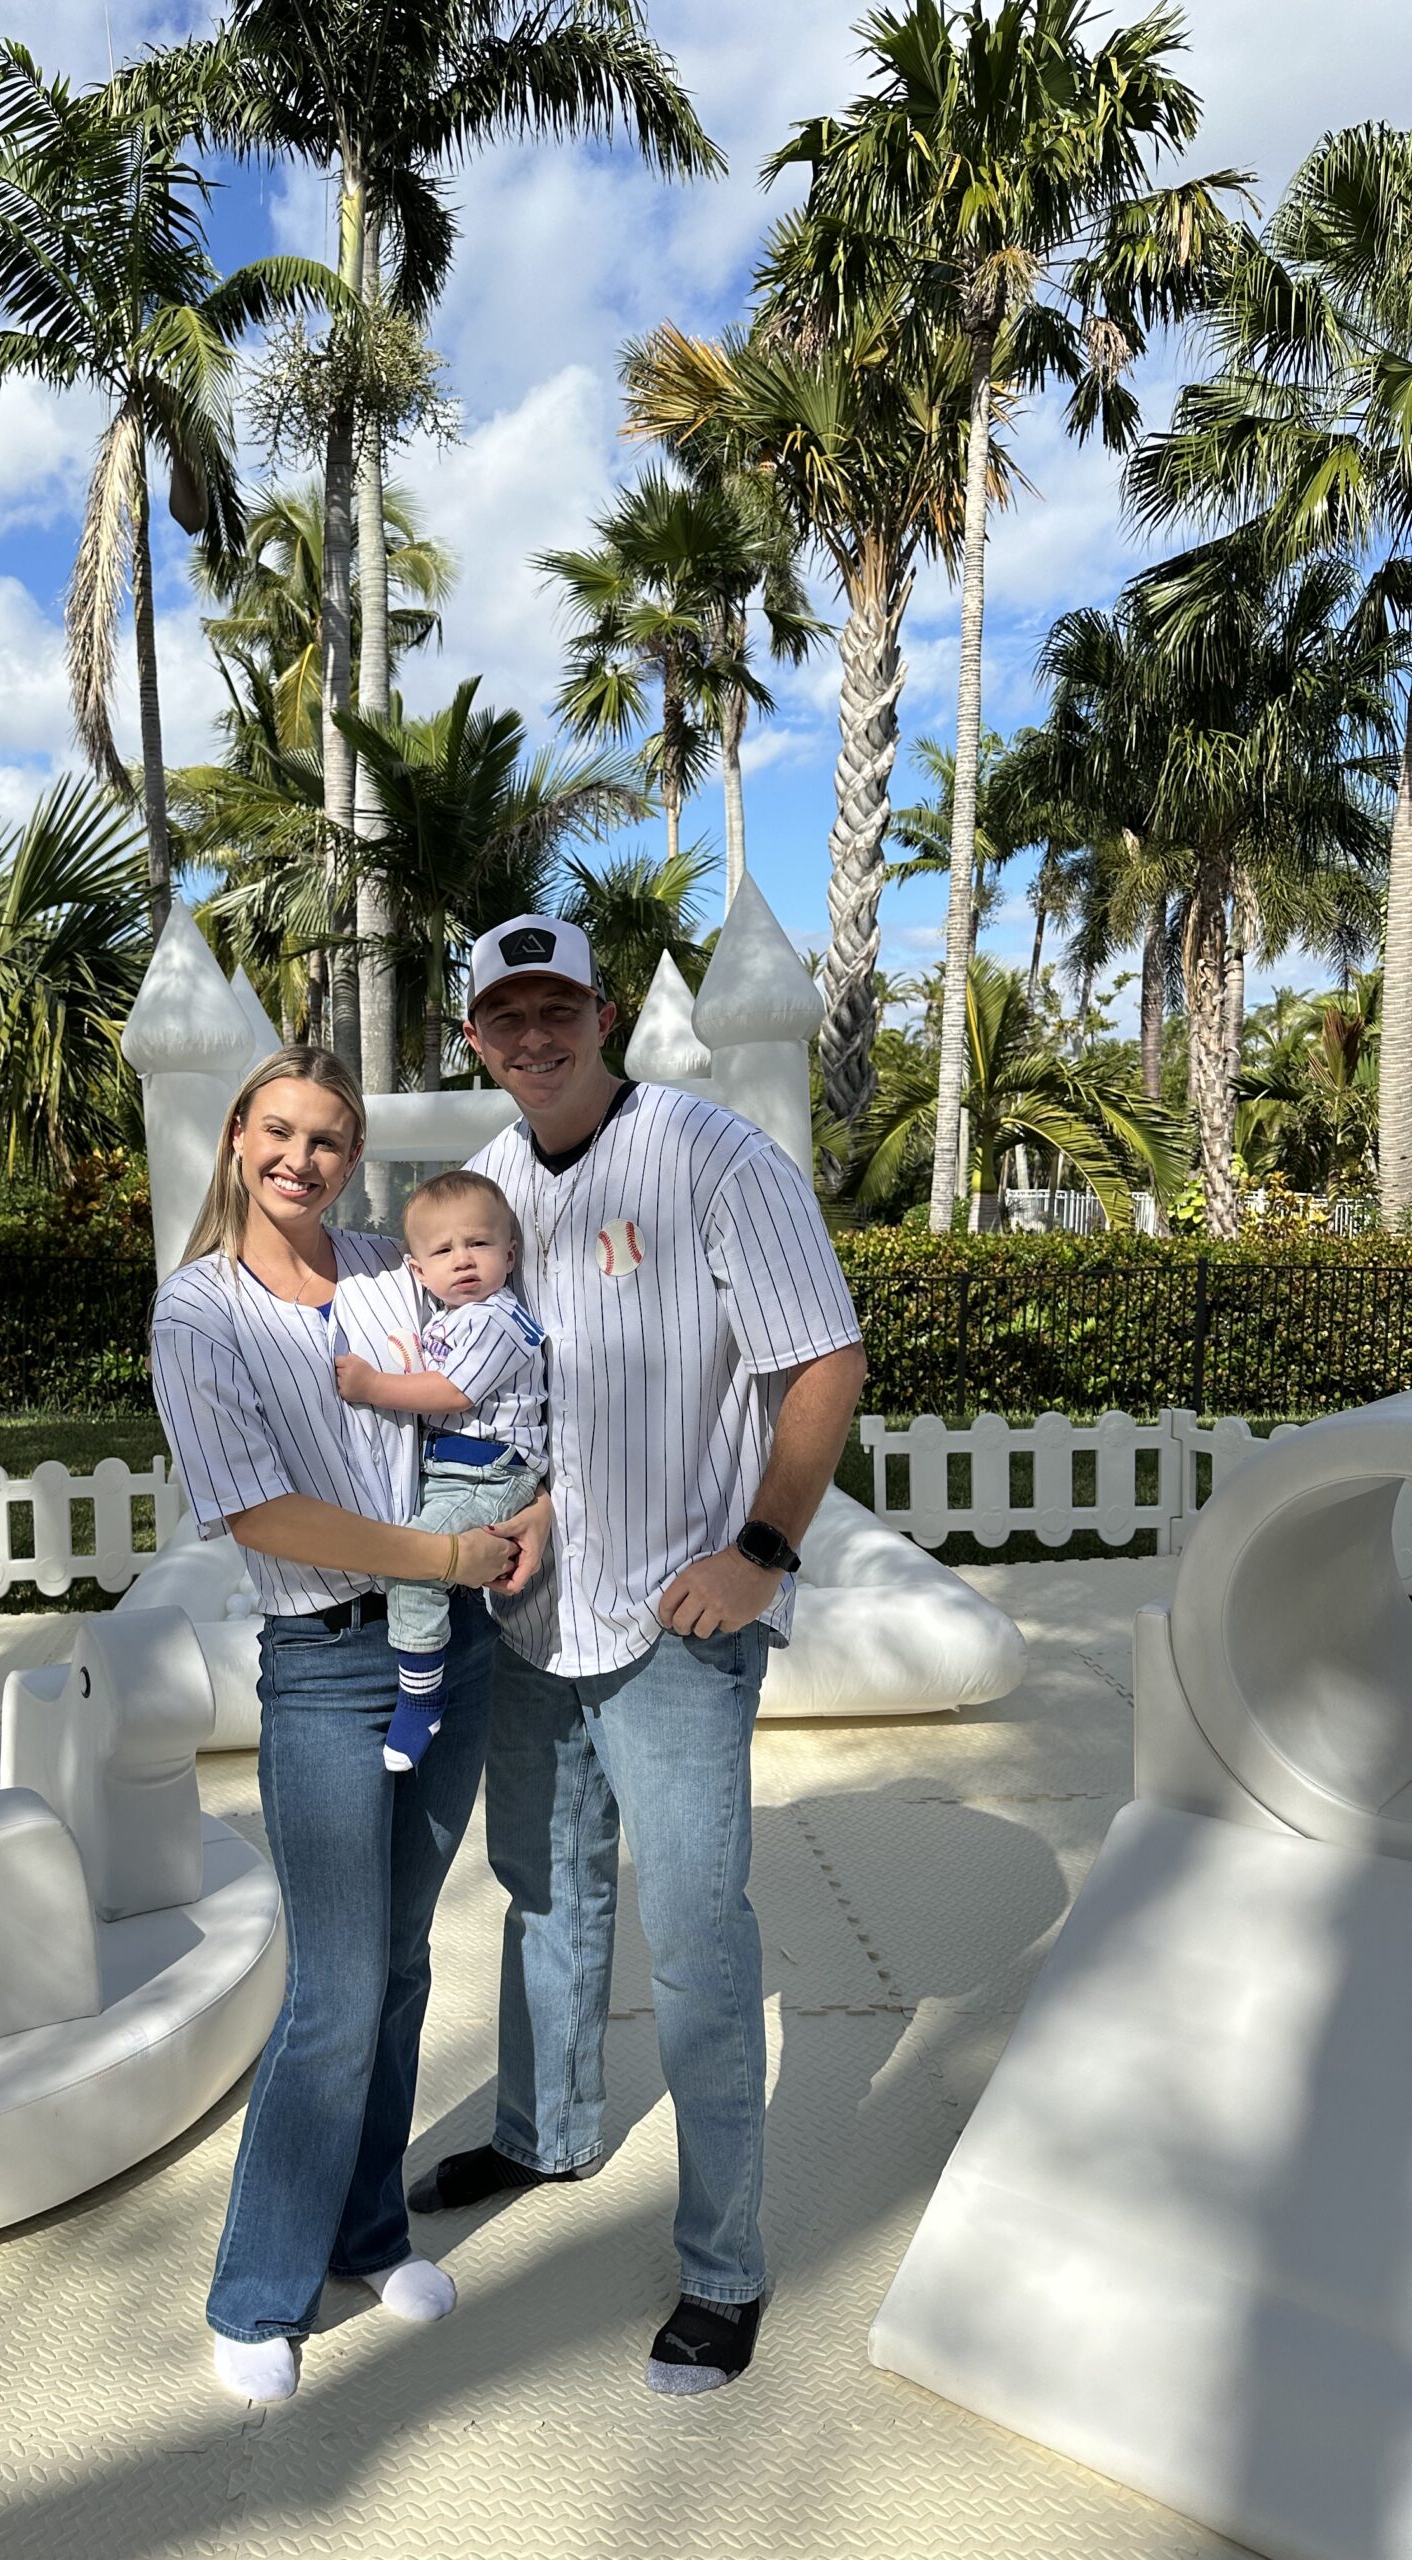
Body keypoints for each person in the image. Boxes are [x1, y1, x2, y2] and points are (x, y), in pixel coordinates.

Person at [406, 915, 869, 2400]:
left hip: (678, 1617)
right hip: (535, 1612)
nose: (534, 1035)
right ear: (475, 1036)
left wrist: (762, 1550)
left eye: (559, 1008)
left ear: (604, 1015)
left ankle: (724, 2268)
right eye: (507, 1015)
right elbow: (507, 1388)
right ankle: (545, 2131)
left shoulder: (712, 1156)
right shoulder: (487, 1185)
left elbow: (825, 1358)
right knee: (543, 1892)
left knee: (698, 1940)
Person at [148, 1045, 550, 2408]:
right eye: (279, 1131)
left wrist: (533, 1513)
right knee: (330, 1991)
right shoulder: (199, 1312)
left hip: (458, 1649)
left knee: (399, 1968)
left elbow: (524, 1373)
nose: (300, 1159)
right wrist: (442, 1558)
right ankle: (258, 2291)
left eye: (327, 1139)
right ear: (236, 1136)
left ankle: (368, 2236)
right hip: (326, 1663)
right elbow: (259, 1512)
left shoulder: (397, 1268)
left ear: (353, 1157)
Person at [334, 1169, 547, 1771]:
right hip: (457, 1472)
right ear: (418, 1270)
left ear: (510, 1254)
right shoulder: (446, 1316)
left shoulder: (498, 1319)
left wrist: (372, 1386)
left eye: (478, 1243)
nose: (463, 1260)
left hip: (492, 1473)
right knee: (413, 1559)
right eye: (443, 1250)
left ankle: (423, 1694)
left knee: (417, 1561)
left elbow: (454, 1391)